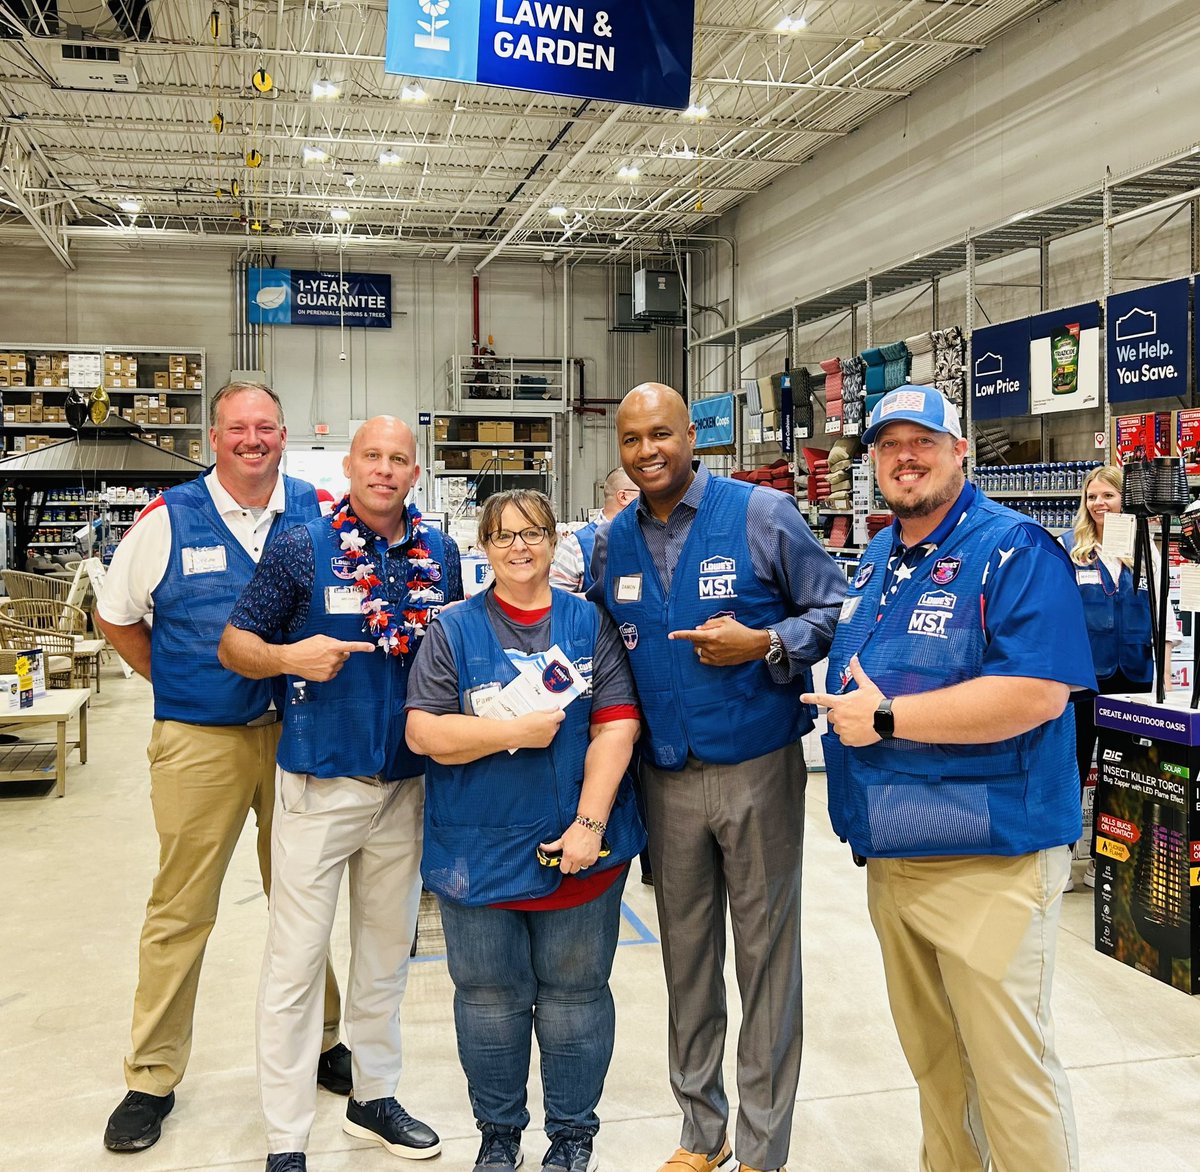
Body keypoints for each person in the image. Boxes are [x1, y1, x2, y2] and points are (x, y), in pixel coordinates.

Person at [805, 384, 1096, 1172]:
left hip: (988, 859)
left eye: (923, 442)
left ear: (959, 451)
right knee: (937, 1073)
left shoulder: (1016, 550)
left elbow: (1037, 693)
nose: (907, 458)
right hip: (894, 856)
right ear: (871, 461)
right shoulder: (877, 557)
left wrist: (890, 718)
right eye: (890, 445)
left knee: (1009, 1078)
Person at [588, 383, 845, 1172]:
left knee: (766, 960)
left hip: (757, 769)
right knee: (685, 958)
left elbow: (833, 606)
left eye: (660, 435)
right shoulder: (613, 542)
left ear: (690, 437)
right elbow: (603, 649)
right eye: (631, 441)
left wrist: (764, 642)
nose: (646, 453)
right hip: (665, 778)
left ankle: (763, 1150)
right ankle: (703, 1132)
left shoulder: (760, 515)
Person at [95, 380, 346, 1154]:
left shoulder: (317, 510)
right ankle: (151, 1075)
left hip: (300, 733)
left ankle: (329, 1038)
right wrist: (176, 682)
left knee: (301, 896)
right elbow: (116, 618)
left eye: (266, 427)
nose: (253, 441)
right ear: (213, 437)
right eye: (238, 428)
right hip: (200, 741)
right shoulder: (168, 521)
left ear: (284, 435)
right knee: (182, 905)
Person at [218, 415, 460, 1172]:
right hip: (321, 784)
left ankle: (372, 1097)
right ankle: (286, 1137)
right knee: (295, 962)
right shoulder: (300, 544)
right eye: (373, 456)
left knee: (387, 957)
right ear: (348, 466)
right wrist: (290, 653)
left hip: (404, 785)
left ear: (415, 472)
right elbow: (235, 643)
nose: (385, 470)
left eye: (399, 459)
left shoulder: (441, 553)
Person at [406, 488, 645, 1172]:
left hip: (576, 851)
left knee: (574, 1000)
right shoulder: (452, 630)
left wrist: (588, 825)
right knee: (488, 1001)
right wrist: (512, 730)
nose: (519, 546)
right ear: (483, 547)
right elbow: (424, 731)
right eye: (504, 535)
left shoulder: (586, 625)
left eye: (533, 532)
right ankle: (499, 1133)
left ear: (552, 541)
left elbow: (616, 725)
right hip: (475, 856)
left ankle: (571, 1138)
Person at [1062, 463, 1178, 888]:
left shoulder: (1148, 549)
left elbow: (1163, 618)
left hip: (1132, 677)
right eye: (1092, 496)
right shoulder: (1069, 549)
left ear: (1124, 500)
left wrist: (1160, 681)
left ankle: (1103, 860)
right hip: (1082, 680)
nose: (1098, 504)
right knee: (1071, 768)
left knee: (1121, 771)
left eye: (1107, 496)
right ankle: (1062, 856)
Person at [549, 467, 638, 592]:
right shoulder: (575, 546)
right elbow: (556, 601)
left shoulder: (651, 538)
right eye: (645, 493)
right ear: (623, 497)